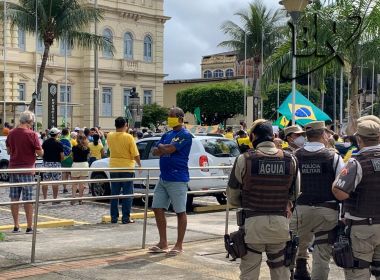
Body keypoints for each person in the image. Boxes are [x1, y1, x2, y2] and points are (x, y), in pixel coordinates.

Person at [227, 119, 299, 280]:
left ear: (252, 136)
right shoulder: (290, 159)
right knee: (281, 272)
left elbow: (232, 195)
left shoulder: (244, 159)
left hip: (252, 225)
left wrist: (246, 203)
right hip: (280, 224)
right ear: (273, 136)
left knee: (249, 272)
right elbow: (294, 194)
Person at [290, 121, 345, 280]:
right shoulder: (333, 157)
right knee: (322, 255)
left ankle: (294, 271)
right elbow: (341, 185)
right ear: (322, 135)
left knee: (293, 247)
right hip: (327, 210)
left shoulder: (296, 156)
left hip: (301, 210)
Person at [332, 117, 380, 280]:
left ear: (359, 139)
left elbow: (339, 191)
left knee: (358, 273)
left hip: (362, 228)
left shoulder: (356, 162)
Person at [149, 107, 192, 256]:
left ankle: (179, 244)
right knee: (157, 207)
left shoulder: (185, 135)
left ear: (180, 118)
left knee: (180, 211)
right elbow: (155, 152)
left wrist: (162, 147)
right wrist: (162, 148)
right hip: (164, 177)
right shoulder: (167, 134)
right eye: (169, 116)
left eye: (172, 116)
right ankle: (163, 242)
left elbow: (168, 149)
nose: (169, 119)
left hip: (178, 178)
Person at [6, 111, 43, 233]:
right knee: (28, 198)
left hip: (13, 168)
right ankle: (29, 226)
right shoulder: (32, 134)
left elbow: (9, 151)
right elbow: (39, 153)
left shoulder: (11, 134)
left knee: (14, 198)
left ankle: (16, 226)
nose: (32, 125)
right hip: (27, 169)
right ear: (29, 122)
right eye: (32, 123)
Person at [107, 117, 141, 224]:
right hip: (127, 167)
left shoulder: (110, 135)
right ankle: (126, 218)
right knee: (127, 194)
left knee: (114, 194)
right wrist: (139, 164)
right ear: (125, 125)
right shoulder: (129, 137)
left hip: (114, 167)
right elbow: (135, 154)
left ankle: (114, 217)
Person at [41, 127, 64, 203]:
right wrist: (60, 161)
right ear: (57, 134)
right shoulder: (59, 143)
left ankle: (45, 198)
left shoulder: (45, 142)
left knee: (45, 181)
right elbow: (62, 156)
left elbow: (42, 153)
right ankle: (54, 198)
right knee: (55, 182)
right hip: (56, 163)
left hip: (46, 163)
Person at [70, 135, 90, 205]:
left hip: (75, 165)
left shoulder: (74, 147)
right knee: (82, 183)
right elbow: (88, 157)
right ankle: (80, 199)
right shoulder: (87, 148)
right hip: (84, 165)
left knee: (74, 183)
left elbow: (72, 157)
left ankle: (73, 198)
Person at [60, 128, 73, 194]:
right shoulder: (70, 140)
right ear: (68, 133)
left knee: (64, 173)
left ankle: (65, 188)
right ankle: (74, 187)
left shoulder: (59, 140)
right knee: (71, 173)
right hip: (69, 158)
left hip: (62, 158)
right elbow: (71, 150)